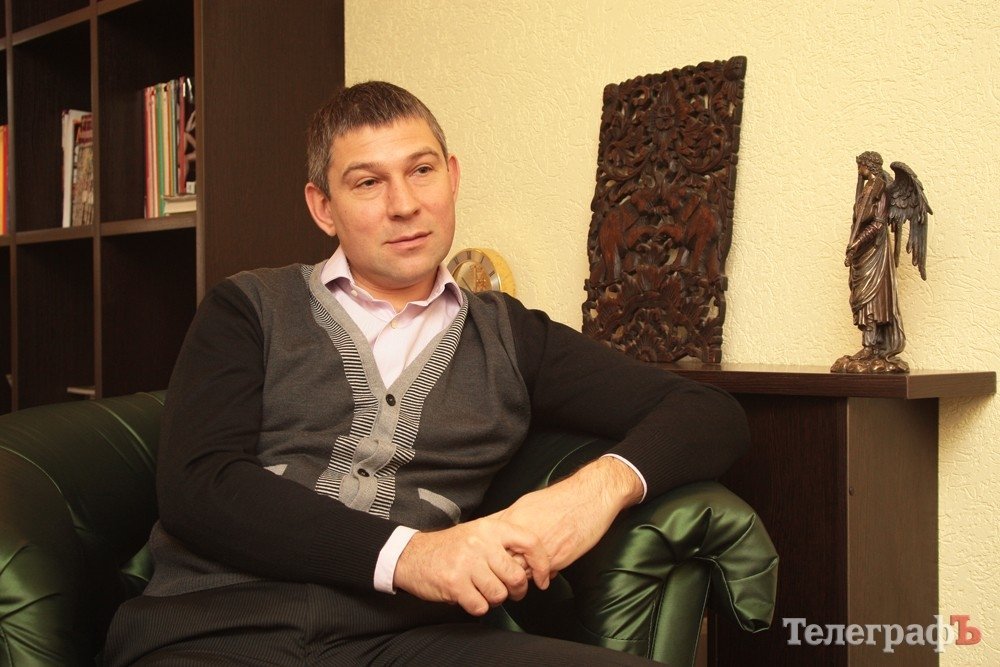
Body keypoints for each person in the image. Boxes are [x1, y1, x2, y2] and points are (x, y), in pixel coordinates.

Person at [103, 81, 750, 665]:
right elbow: (198, 485)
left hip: (404, 641)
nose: (405, 204)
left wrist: (594, 492)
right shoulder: (248, 308)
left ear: (453, 176)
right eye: (368, 183)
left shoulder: (510, 337)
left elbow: (707, 413)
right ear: (323, 207)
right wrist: (413, 555)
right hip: (214, 630)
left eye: (421, 170)